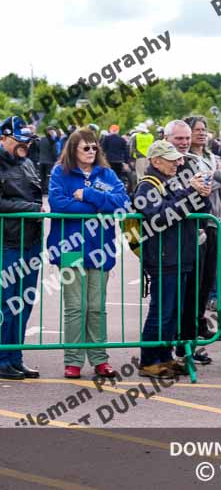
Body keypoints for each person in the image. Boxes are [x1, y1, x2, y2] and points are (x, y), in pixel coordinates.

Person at [47, 128, 130, 379]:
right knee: (75, 307)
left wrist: (90, 195)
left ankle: (100, 359)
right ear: (73, 149)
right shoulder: (59, 173)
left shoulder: (107, 174)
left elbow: (123, 202)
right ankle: (72, 360)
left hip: (100, 250)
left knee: (96, 307)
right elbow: (58, 203)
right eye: (86, 148)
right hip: (70, 249)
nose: (91, 152)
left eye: (94, 147)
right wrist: (98, 208)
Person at [136, 141, 212, 378]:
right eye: (172, 159)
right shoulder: (147, 186)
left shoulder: (171, 183)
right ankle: (149, 360)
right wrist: (191, 192)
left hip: (180, 255)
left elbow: (199, 213)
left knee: (173, 312)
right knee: (161, 312)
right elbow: (162, 216)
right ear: (156, 161)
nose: (178, 163)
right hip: (164, 257)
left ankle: (165, 357)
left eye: (178, 159)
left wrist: (202, 193)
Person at [175, 117, 221, 361]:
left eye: (203, 130)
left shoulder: (212, 156)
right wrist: (213, 177)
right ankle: (183, 343)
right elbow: (205, 185)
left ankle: (195, 336)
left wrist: (214, 175)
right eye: (195, 130)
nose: (201, 134)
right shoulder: (184, 160)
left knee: (206, 285)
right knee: (191, 287)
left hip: (215, 225)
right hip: (195, 226)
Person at [0, 117, 43, 380]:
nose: (25, 144)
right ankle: (3, 357)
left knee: (25, 301)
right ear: (3, 138)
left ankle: (15, 356)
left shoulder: (27, 163)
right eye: (20, 139)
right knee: (7, 303)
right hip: (7, 243)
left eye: (27, 139)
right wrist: (32, 210)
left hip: (31, 242)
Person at [37, 126, 59, 194]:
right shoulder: (52, 141)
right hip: (50, 161)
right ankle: (46, 190)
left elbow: (38, 149)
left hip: (41, 160)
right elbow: (54, 152)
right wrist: (56, 159)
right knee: (48, 176)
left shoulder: (41, 140)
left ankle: (41, 189)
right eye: (53, 132)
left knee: (42, 176)